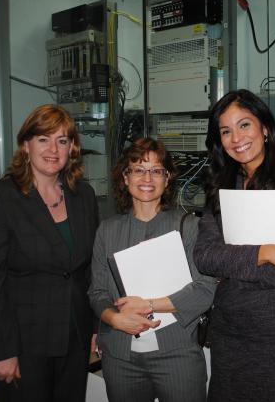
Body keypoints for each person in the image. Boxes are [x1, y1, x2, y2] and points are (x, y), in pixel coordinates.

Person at [193, 89, 275, 402]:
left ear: (264, 128)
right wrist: (268, 253)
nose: (236, 137)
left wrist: (234, 267)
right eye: (226, 131)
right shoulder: (221, 185)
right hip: (228, 329)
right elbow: (205, 257)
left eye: (244, 125)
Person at [0, 104, 99, 402]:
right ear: (25, 144)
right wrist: (0, 351)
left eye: (62, 140)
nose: (53, 149)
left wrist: (97, 324)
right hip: (23, 343)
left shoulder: (84, 196)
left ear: (72, 149)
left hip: (74, 337)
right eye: (43, 139)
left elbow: (90, 269)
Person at [88, 137, 216, 402]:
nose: (147, 178)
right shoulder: (107, 230)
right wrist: (114, 318)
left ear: (167, 179)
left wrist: (147, 304)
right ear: (125, 177)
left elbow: (205, 290)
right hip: (121, 357)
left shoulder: (188, 226)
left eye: (156, 170)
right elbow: (97, 292)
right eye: (138, 169)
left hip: (178, 353)